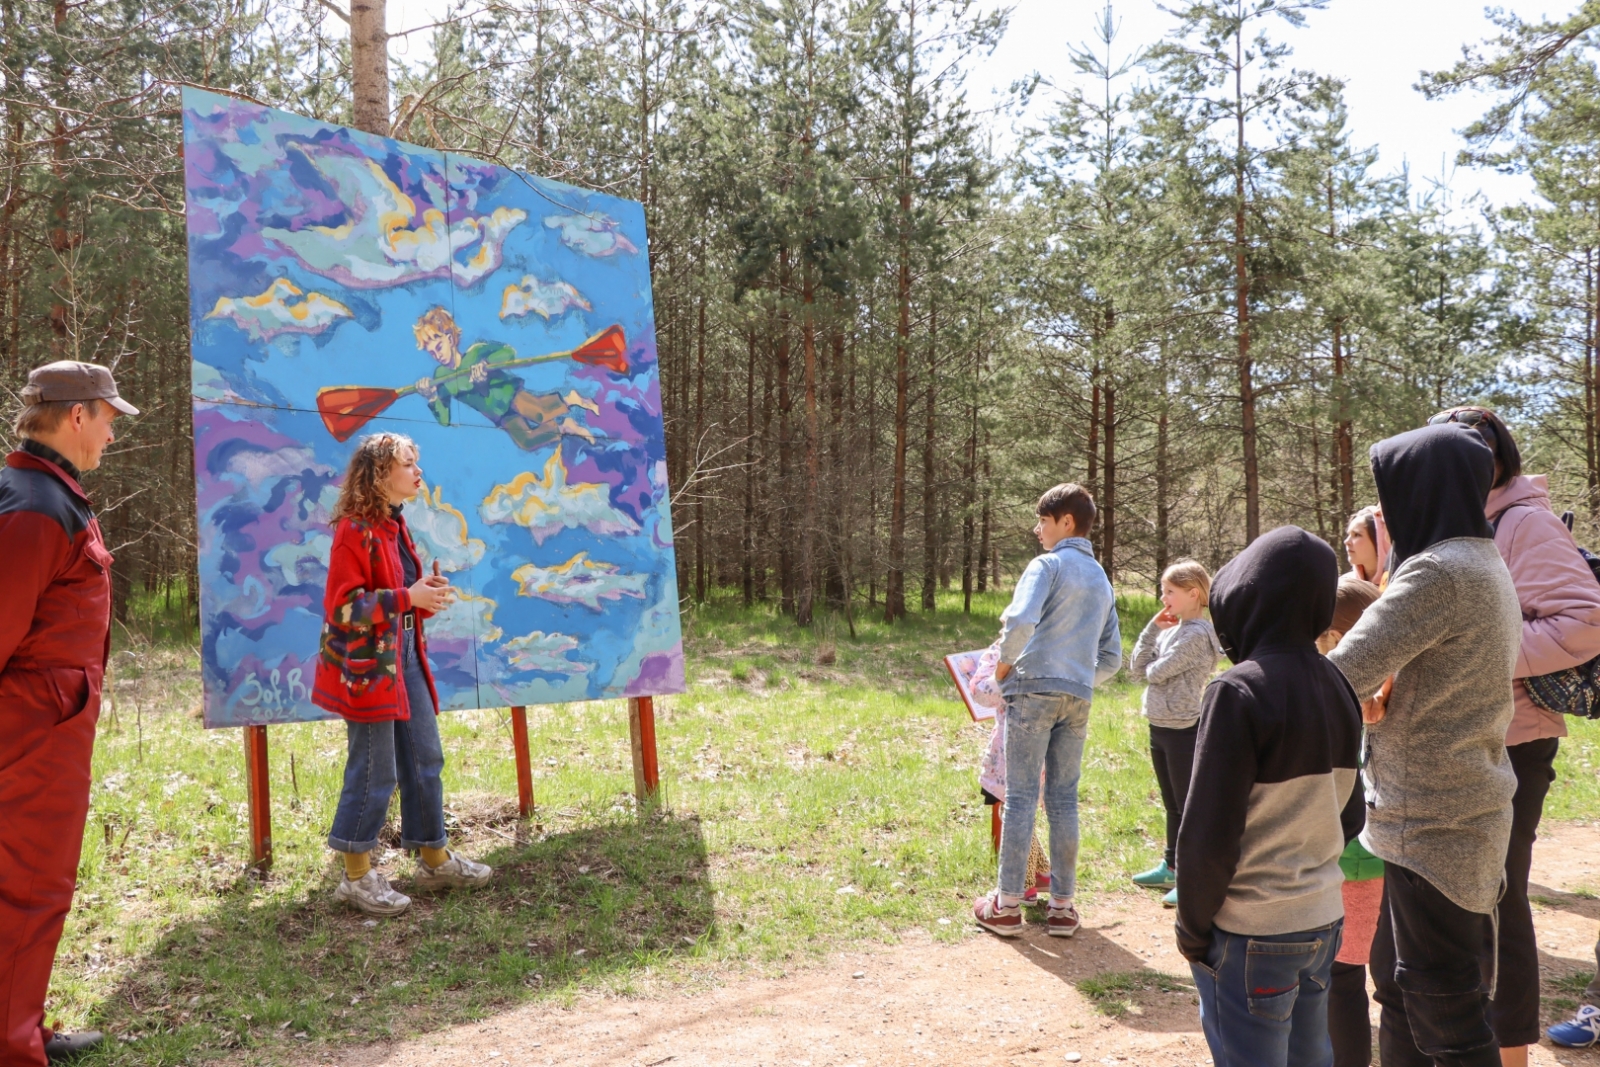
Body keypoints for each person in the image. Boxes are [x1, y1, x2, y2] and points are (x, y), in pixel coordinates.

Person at [1327, 424, 1523, 1067]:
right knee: (1403, 997)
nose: (1383, 512)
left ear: (1423, 489)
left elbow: (1340, 670)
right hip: (1459, 810)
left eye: (1390, 491)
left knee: (1448, 1019)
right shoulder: (1482, 559)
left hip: (1432, 825)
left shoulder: (1437, 572)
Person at [1426, 408, 1600, 1065]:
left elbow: (1585, 620)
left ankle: (1511, 1051)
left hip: (1514, 738)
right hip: (1454, 738)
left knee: (1502, 898)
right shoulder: (1450, 517)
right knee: (1457, 902)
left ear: (1489, 460)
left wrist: (1482, 652)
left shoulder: (1524, 522)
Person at [1175, 526, 1364, 1067]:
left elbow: (1208, 835)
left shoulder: (1237, 690)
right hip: (1323, 919)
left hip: (1251, 930)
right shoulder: (1338, 685)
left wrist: (1192, 928)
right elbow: (1350, 816)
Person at [0, 361, 139, 1064]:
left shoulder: (47, 493)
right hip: (30, 737)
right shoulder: (32, 506)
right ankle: (12, 1044)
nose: (113, 432)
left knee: (31, 888)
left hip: (46, 731)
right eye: (109, 417)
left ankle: (21, 1022)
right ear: (75, 416)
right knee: (27, 888)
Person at [312, 432, 494, 916]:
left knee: (424, 757)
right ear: (379, 474)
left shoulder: (394, 524)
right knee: (375, 769)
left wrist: (423, 596)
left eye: (416, 463)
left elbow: (399, 597)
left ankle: (434, 859)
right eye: (408, 464)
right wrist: (406, 598)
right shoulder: (355, 530)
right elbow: (344, 608)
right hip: (369, 668)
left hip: (405, 655)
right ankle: (355, 875)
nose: (417, 472)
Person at [971, 483, 1121, 939]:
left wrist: (1001, 671)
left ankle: (1007, 906)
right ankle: (1062, 907)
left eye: (1042, 520)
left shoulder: (1048, 565)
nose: (1037, 529)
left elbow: (1019, 621)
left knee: (1018, 799)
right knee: (1062, 799)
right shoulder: (1101, 579)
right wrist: (1076, 678)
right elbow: (1112, 658)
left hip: (1032, 691)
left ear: (1066, 522)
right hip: (1078, 697)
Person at [1128, 559, 1222, 908]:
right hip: (1159, 724)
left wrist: (1152, 665)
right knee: (1172, 804)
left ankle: (1193, 877)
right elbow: (1137, 668)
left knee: (1188, 806)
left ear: (1193, 593)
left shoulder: (1198, 634)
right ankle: (1171, 865)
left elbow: (1157, 672)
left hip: (1184, 727)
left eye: (1170, 591)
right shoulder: (1170, 630)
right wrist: (1153, 628)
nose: (1162, 597)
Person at [1317, 574, 1384, 1067]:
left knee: (1342, 980)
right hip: (1380, 863)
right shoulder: (1387, 691)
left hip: (1353, 866)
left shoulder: (1343, 697)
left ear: (1337, 639)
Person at [412, 306, 598, 451]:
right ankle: (564, 427)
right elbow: (444, 420)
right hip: (497, 413)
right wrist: (431, 397)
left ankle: (571, 398)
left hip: (507, 395)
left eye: (438, 348)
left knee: (540, 413)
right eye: (432, 353)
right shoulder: (441, 377)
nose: (437, 355)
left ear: (450, 340)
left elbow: (508, 353)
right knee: (527, 440)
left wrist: (486, 365)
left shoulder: (476, 353)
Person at [971, 639, 1054, 905]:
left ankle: (1022, 884)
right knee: (1014, 811)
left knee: (1015, 813)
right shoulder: (1004, 650)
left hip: (1031, 747)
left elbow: (982, 691)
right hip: (1012, 751)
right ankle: (1039, 873)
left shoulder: (1047, 646)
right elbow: (982, 692)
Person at [1344, 507, 1389, 587]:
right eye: (1349, 535)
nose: (1346, 542)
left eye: (1356, 535)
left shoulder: (1398, 584)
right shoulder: (1345, 585)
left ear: (1379, 541)